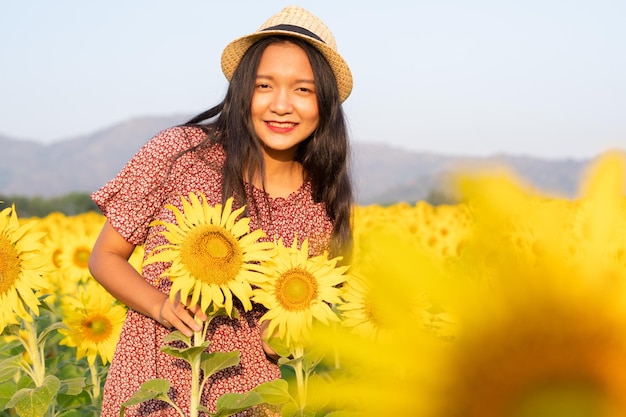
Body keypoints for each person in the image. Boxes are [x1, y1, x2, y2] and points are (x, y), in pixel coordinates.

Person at [88, 5, 354, 417]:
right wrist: (159, 305)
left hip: (250, 396)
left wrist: (283, 337)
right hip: (155, 381)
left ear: (325, 103)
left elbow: (303, 317)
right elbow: (105, 257)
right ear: (243, 89)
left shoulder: (321, 202)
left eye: (303, 90)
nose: (282, 105)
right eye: (265, 85)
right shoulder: (181, 154)